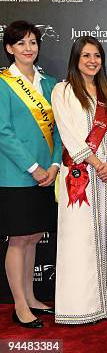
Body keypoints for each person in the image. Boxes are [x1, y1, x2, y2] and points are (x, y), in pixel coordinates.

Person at [51, 36, 107, 324]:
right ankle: (81, 306)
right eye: (86, 55)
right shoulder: (63, 91)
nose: (92, 61)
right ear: (76, 59)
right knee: (80, 240)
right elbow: (68, 132)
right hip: (80, 175)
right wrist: (96, 162)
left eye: (97, 55)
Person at [0, 20, 62, 328]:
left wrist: (52, 165)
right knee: (19, 239)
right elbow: (3, 132)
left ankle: (32, 296)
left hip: (47, 175)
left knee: (35, 237)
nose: (28, 48)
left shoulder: (49, 84)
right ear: (9, 49)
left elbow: (60, 131)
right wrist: (34, 168)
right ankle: (20, 305)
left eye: (33, 42)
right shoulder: (2, 82)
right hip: (16, 175)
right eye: (21, 43)